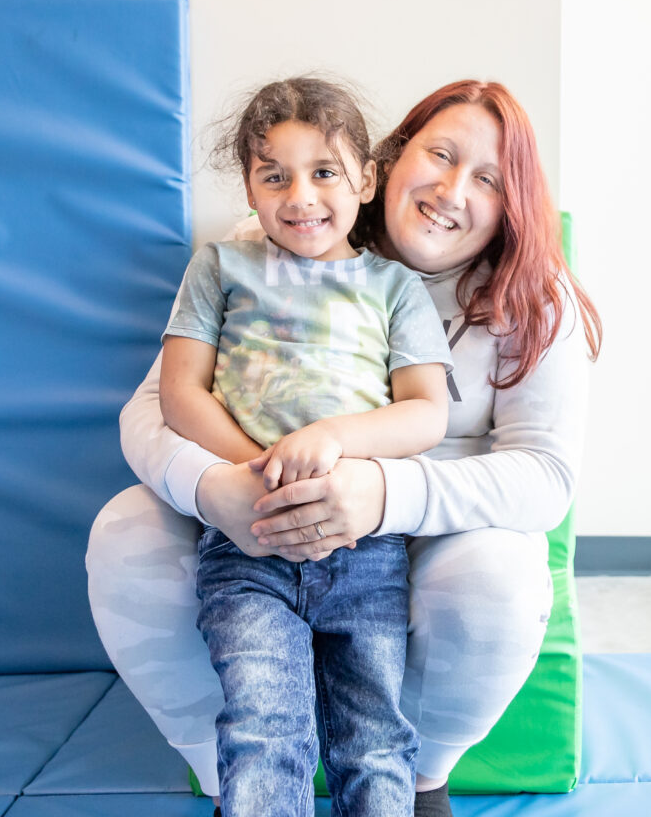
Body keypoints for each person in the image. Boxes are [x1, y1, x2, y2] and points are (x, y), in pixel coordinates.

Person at [87, 80, 602, 817]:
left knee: (492, 582)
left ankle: (422, 781)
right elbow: (157, 407)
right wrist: (227, 486)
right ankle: (230, 778)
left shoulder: (529, 296)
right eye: (441, 155)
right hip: (254, 515)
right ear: (389, 163)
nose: (453, 190)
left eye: (487, 178)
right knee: (126, 529)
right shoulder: (264, 248)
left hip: (402, 538)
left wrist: (377, 492)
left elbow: (544, 476)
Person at [161, 77, 453, 817]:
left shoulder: (390, 287)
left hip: (365, 552)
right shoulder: (220, 267)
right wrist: (250, 471)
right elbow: (180, 393)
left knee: (374, 739)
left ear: (365, 179)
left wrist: (332, 439)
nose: (301, 196)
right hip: (246, 545)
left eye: (324, 172)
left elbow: (426, 414)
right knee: (263, 730)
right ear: (251, 191)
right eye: (274, 176)